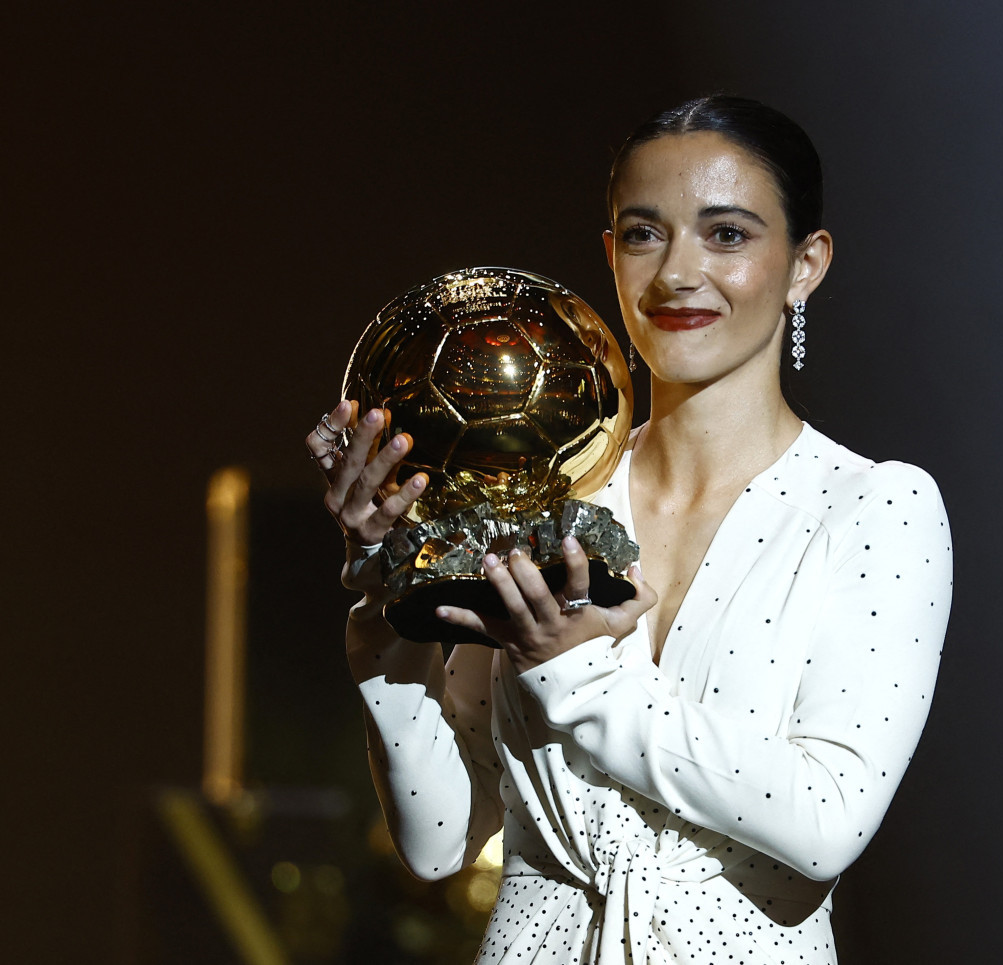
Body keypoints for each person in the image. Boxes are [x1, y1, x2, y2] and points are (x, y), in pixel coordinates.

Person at [305, 95, 952, 964]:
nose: (679, 272)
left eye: (727, 235)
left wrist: (573, 671)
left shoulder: (873, 508)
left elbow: (824, 820)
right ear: (610, 256)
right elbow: (439, 838)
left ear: (806, 264)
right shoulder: (541, 495)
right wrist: (387, 592)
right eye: (646, 234)